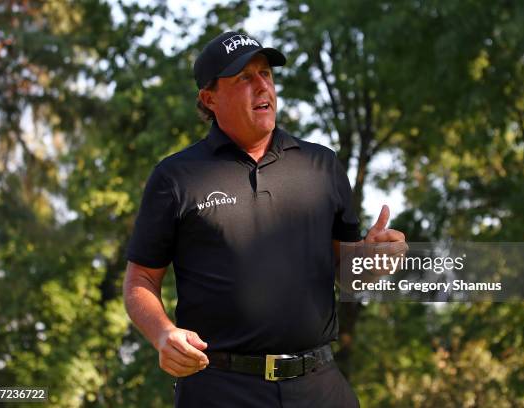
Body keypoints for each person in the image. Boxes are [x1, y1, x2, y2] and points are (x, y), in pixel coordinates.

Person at [123, 31, 406, 407]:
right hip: (219, 389)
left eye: (266, 74)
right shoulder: (176, 177)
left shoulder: (321, 165)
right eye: (244, 77)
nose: (262, 86)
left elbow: (345, 270)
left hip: (319, 386)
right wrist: (163, 334)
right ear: (209, 99)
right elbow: (140, 280)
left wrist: (372, 260)